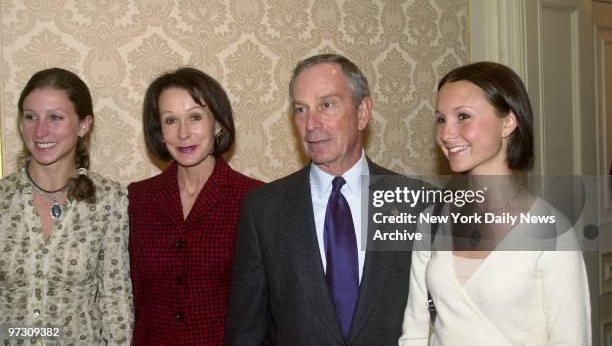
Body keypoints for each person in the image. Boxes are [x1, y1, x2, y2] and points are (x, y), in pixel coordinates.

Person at [226, 54, 428, 345]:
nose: (311, 124)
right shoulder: (263, 209)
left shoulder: (417, 202)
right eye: (300, 109)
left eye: (327, 105)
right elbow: (246, 331)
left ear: (362, 112)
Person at [398, 62, 591, 345]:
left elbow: (572, 339)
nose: (446, 134)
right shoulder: (432, 219)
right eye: (441, 119)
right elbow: (414, 333)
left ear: (508, 122)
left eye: (463, 116)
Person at [128, 67, 262, 345]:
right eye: (170, 120)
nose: (183, 133)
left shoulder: (254, 199)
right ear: (160, 131)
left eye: (195, 117)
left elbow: (265, 304)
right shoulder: (136, 200)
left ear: (218, 124)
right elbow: (132, 296)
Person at [0, 68, 133, 344]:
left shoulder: (109, 199)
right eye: (30, 117)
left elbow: (116, 302)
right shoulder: (3, 200)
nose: (40, 131)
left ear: (84, 125)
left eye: (55, 118)